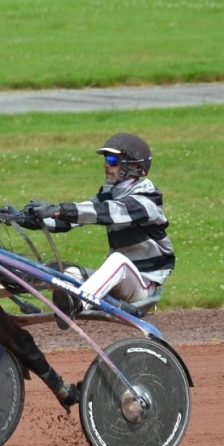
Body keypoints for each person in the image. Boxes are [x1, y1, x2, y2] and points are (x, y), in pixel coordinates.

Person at [20, 133, 175, 329]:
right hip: (119, 282)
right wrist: (28, 219)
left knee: (118, 261)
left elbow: (105, 212)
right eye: (106, 159)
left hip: (142, 284)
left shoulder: (146, 199)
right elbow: (70, 221)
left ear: (135, 166)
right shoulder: (110, 193)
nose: (106, 165)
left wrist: (59, 209)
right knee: (63, 271)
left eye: (113, 160)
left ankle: (77, 304)